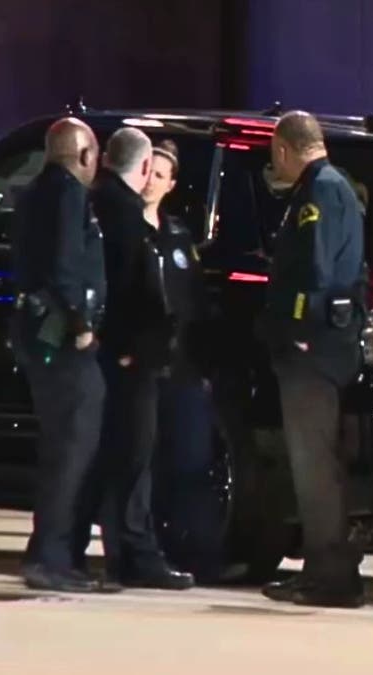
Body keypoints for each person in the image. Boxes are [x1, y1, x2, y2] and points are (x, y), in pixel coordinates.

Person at [258, 111, 366, 608]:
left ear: (284, 148)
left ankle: (329, 574)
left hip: (314, 353)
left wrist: (300, 331)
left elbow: (315, 270)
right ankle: (328, 569)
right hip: (328, 347)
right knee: (318, 461)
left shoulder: (319, 191)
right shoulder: (334, 185)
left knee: (313, 464)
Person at [84, 128, 194, 590]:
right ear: (144, 169)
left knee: (134, 457)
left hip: (144, 358)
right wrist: (132, 348)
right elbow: (132, 291)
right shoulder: (122, 216)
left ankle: (130, 550)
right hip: (129, 358)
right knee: (128, 458)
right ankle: (132, 554)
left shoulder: (164, 230)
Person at [9, 117, 110, 592]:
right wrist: (82, 325)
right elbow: (66, 264)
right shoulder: (69, 195)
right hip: (61, 340)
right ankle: (51, 557)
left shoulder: (32, 194)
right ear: (85, 156)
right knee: (72, 448)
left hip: (34, 334)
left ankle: (49, 552)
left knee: (59, 447)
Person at [138, 140, 222, 581]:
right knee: (146, 467)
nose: (151, 180)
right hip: (144, 369)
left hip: (184, 370)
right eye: (147, 170)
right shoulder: (123, 230)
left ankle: (200, 556)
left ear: (171, 185)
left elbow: (196, 306)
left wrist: (202, 367)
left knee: (192, 464)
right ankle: (147, 551)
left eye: (161, 175)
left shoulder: (178, 236)